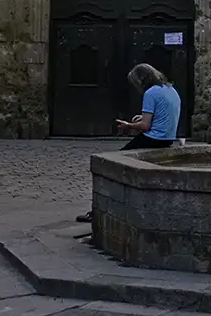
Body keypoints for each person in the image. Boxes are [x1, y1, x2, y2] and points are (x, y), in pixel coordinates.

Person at [76, 65, 181, 223]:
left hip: (153, 139)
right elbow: (160, 117)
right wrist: (142, 117)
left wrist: (128, 126)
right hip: (167, 138)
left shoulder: (151, 93)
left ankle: (98, 211)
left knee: (113, 165)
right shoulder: (171, 90)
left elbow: (145, 126)